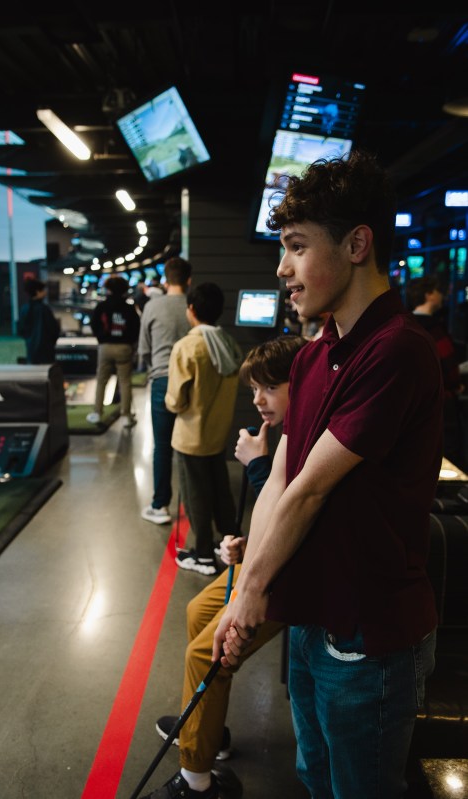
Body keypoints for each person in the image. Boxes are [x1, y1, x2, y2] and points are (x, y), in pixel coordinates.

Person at [212, 150, 444, 799]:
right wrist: (243, 590)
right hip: (314, 619)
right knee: (314, 777)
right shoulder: (313, 358)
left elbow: (312, 489)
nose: (281, 269)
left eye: (296, 246)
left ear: (356, 244)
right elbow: (281, 477)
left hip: (369, 635)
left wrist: (251, 591)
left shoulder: (396, 350)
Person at [144, 334, 309, 799]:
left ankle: (196, 781)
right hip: (266, 559)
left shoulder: (307, 434)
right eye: (254, 389)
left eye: (270, 388)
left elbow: (295, 512)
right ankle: (208, 730)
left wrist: (255, 465)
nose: (258, 400)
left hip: (291, 575)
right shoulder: (285, 432)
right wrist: (247, 544)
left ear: (301, 384)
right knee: (198, 611)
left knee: (203, 655)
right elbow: (275, 511)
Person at [165, 282, 243, 576]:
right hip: (217, 433)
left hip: (190, 436)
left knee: (195, 494)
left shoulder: (187, 346)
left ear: (192, 309)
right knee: (220, 490)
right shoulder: (229, 343)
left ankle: (202, 555)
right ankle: (231, 543)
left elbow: (176, 400)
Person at [138, 257, 192, 524]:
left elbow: (144, 349)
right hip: (192, 381)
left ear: (166, 280)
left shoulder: (152, 306)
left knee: (162, 446)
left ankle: (160, 506)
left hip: (161, 379)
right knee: (191, 445)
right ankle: (194, 506)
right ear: (189, 280)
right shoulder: (193, 306)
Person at [406, 274, 465, 465]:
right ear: (429, 294)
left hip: (410, 405)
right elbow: (449, 368)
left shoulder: (404, 325)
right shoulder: (434, 329)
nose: (443, 296)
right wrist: (456, 385)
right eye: (439, 291)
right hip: (440, 403)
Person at [87, 275, 140, 428]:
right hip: (124, 347)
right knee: (125, 382)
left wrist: (101, 339)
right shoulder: (129, 308)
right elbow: (136, 328)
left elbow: (94, 324)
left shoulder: (101, 306)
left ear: (108, 289)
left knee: (101, 381)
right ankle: (126, 416)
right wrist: (130, 344)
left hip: (105, 346)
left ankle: (97, 413)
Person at [17, 278, 61, 364]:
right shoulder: (44, 309)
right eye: (43, 290)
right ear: (37, 292)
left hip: (31, 351)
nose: (45, 292)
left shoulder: (24, 309)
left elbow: (21, 330)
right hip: (46, 351)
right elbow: (54, 329)